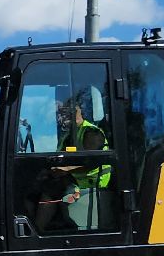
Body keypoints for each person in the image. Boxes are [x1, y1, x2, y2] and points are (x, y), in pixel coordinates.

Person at [33, 100, 112, 233]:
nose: (60, 118)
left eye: (63, 113)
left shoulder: (91, 132)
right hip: (73, 181)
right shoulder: (68, 136)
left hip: (93, 184)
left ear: (77, 111)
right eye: (58, 115)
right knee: (33, 188)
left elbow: (93, 161)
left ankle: (38, 233)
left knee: (49, 192)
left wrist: (65, 170)